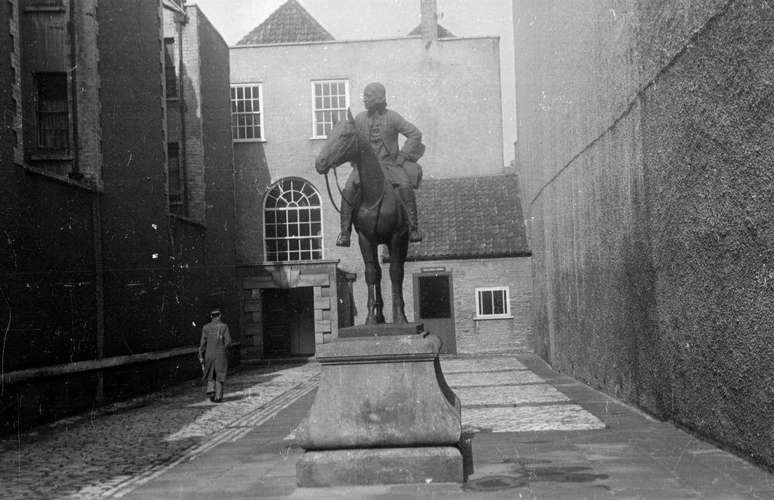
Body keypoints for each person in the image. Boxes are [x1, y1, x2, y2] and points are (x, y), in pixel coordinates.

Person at [336, 82, 425, 247]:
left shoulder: (392, 117)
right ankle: (345, 232)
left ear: (379, 98)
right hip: (365, 167)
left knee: (405, 185)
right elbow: (352, 141)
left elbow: (415, 134)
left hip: (389, 164)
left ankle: (413, 228)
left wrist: (403, 156)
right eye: (364, 95)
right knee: (348, 188)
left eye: (368, 96)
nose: (364, 99)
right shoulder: (360, 118)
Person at [198, 308, 231, 403]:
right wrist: (223, 348)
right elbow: (228, 341)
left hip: (209, 354)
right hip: (220, 354)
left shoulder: (206, 327)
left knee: (210, 373)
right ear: (220, 315)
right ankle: (218, 397)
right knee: (219, 374)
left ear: (211, 316)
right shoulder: (224, 326)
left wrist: (200, 356)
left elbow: (202, 344)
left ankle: (211, 392)